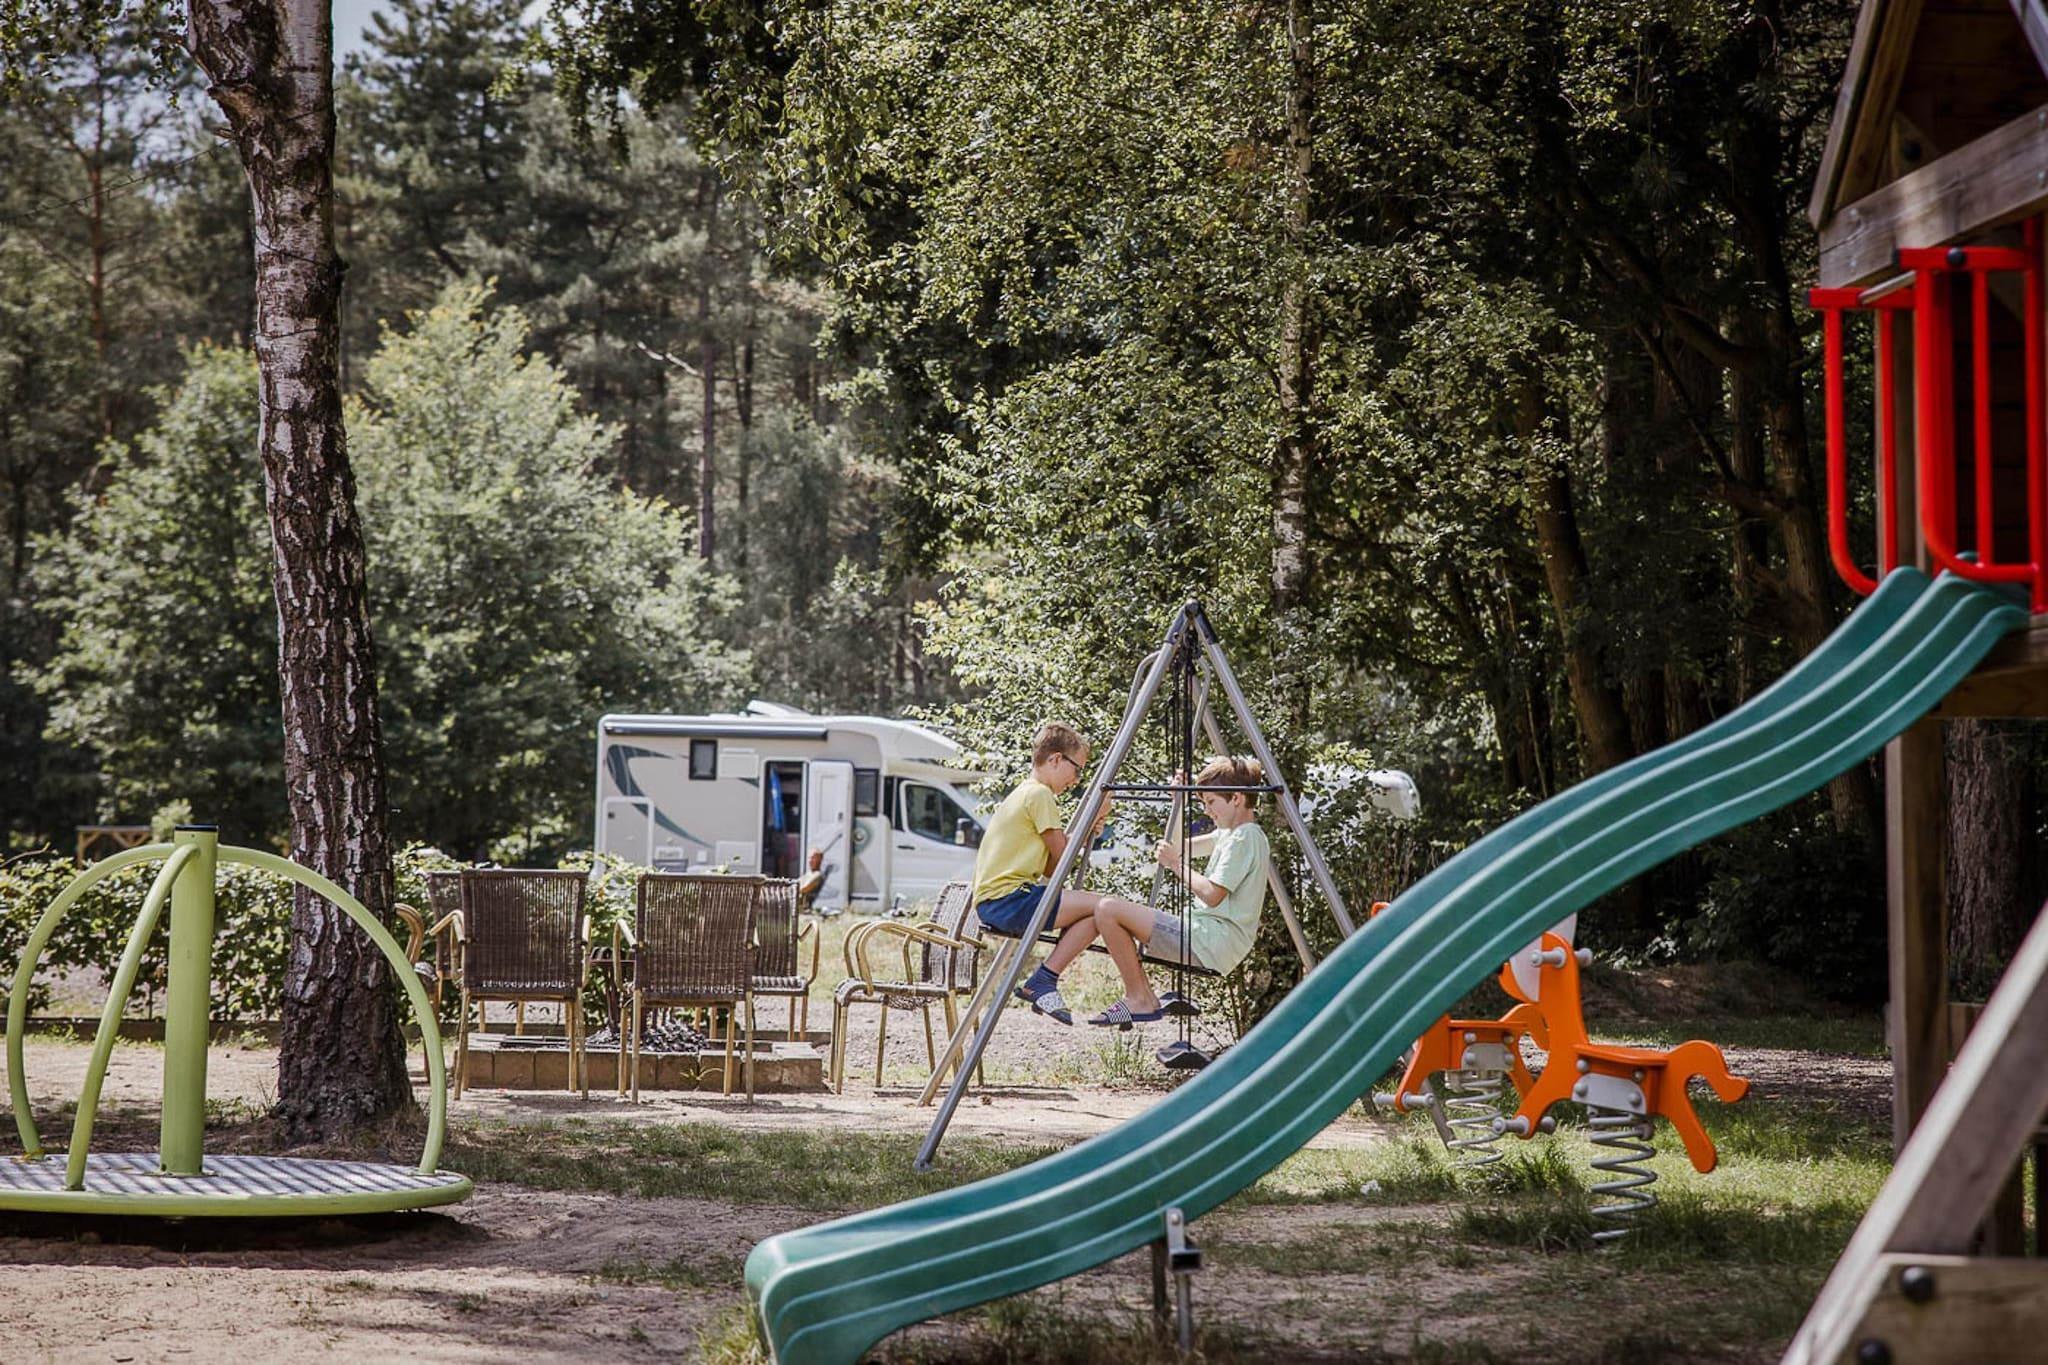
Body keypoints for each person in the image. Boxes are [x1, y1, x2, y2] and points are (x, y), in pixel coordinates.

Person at [1033, 755, 1272, 1028]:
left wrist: (1175, 866)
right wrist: (1178, 803)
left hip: (1210, 941)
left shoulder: (1245, 837)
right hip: (1207, 938)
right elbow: (1177, 848)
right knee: (1107, 912)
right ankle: (1141, 996)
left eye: (1211, 802)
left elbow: (1212, 894)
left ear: (1236, 798)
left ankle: (1139, 998)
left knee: (1107, 908)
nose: (1207, 811)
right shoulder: (1230, 834)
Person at [970, 721, 1113, 1025]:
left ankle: (1044, 980)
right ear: (1056, 759)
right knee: (1106, 907)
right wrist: (1093, 820)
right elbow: (1063, 857)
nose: (1076, 779)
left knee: (1096, 914)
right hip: (1008, 899)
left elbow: (1050, 866)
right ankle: (1043, 980)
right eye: (1077, 769)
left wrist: (1086, 831)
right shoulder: (1040, 795)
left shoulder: (1025, 792)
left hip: (999, 900)